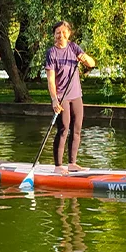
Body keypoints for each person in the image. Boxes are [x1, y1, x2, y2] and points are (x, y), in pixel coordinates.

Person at [44, 21, 96, 173]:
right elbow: (50, 80)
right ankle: (58, 166)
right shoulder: (51, 53)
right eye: (58, 33)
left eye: (64, 32)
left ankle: (72, 163)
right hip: (62, 97)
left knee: (77, 129)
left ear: (69, 33)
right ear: (54, 35)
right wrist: (54, 99)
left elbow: (92, 64)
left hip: (76, 95)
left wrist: (84, 59)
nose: (61, 35)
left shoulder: (74, 48)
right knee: (64, 129)